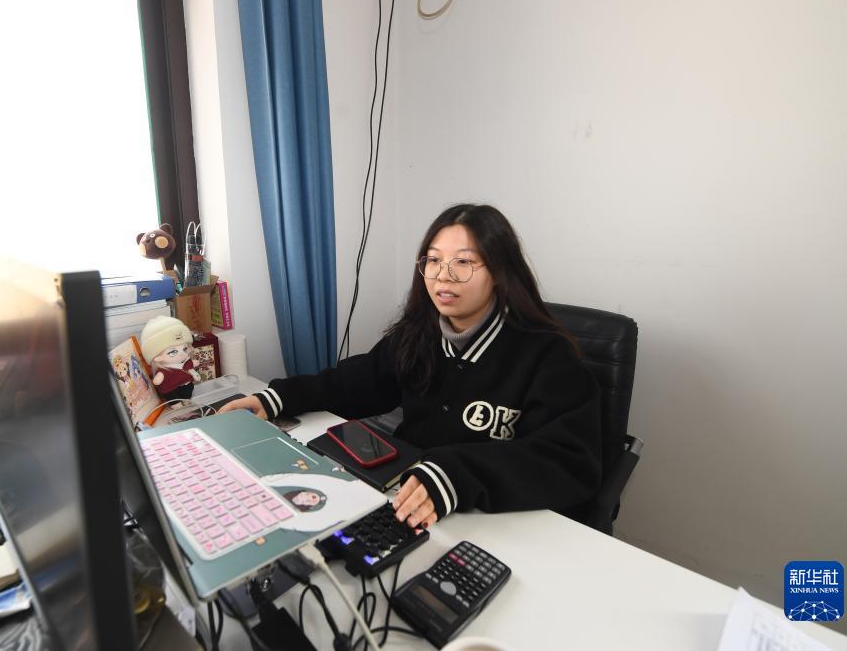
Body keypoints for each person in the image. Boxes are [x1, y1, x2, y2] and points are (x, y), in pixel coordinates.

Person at [220, 204, 601, 530]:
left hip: (496, 521)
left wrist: (457, 473)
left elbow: (568, 462)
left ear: (500, 272)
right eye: (433, 260)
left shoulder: (547, 354)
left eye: (464, 262)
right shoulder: (420, 333)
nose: (443, 275)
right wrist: (277, 398)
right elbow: (355, 382)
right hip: (411, 504)